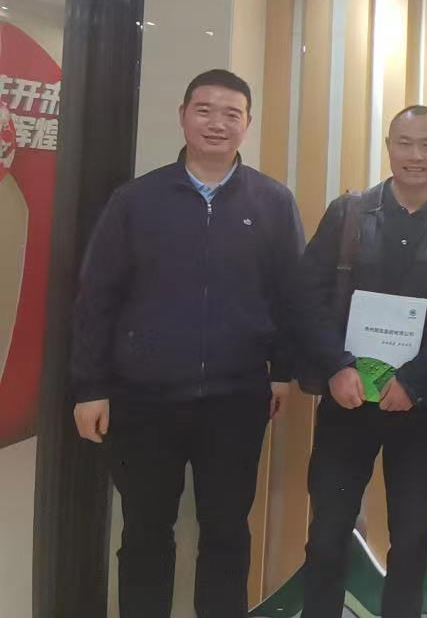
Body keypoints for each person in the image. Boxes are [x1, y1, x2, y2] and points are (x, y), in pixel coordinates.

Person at [71, 69, 303, 618]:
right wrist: (90, 387)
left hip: (236, 397)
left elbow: (290, 294)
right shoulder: (136, 200)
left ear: (247, 124)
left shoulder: (272, 201)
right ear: (182, 116)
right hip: (143, 398)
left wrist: (282, 371)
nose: (216, 123)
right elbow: (97, 297)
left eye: (231, 114)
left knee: (226, 530)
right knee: (146, 530)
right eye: (204, 110)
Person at [296, 105, 427, 618]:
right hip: (347, 400)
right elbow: (308, 296)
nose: (415, 155)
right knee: (328, 533)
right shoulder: (349, 212)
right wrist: (336, 367)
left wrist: (413, 383)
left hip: (419, 408)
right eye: (404, 142)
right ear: (388, 146)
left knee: (411, 537)